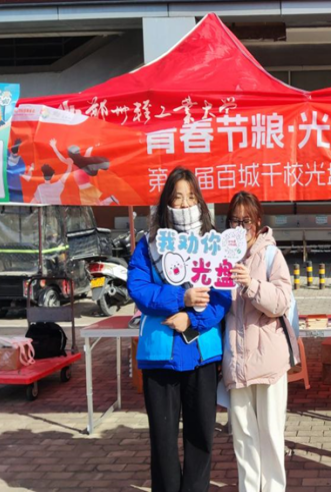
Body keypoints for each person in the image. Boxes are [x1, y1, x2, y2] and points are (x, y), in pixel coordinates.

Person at [128, 167, 231, 492]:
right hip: (160, 355)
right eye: (177, 197)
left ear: (199, 200)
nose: (184, 204)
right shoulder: (149, 244)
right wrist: (180, 298)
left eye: (190, 196)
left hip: (202, 354)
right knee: (163, 441)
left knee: (201, 437)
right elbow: (138, 288)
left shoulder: (212, 243)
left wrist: (192, 319)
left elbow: (222, 297)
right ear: (166, 202)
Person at [222, 191, 295, 492]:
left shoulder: (271, 255)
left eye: (247, 221)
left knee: (271, 435)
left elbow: (281, 301)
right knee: (244, 439)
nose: (241, 228)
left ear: (258, 222)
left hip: (269, 363)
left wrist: (251, 284)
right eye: (235, 221)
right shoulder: (221, 257)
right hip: (236, 363)